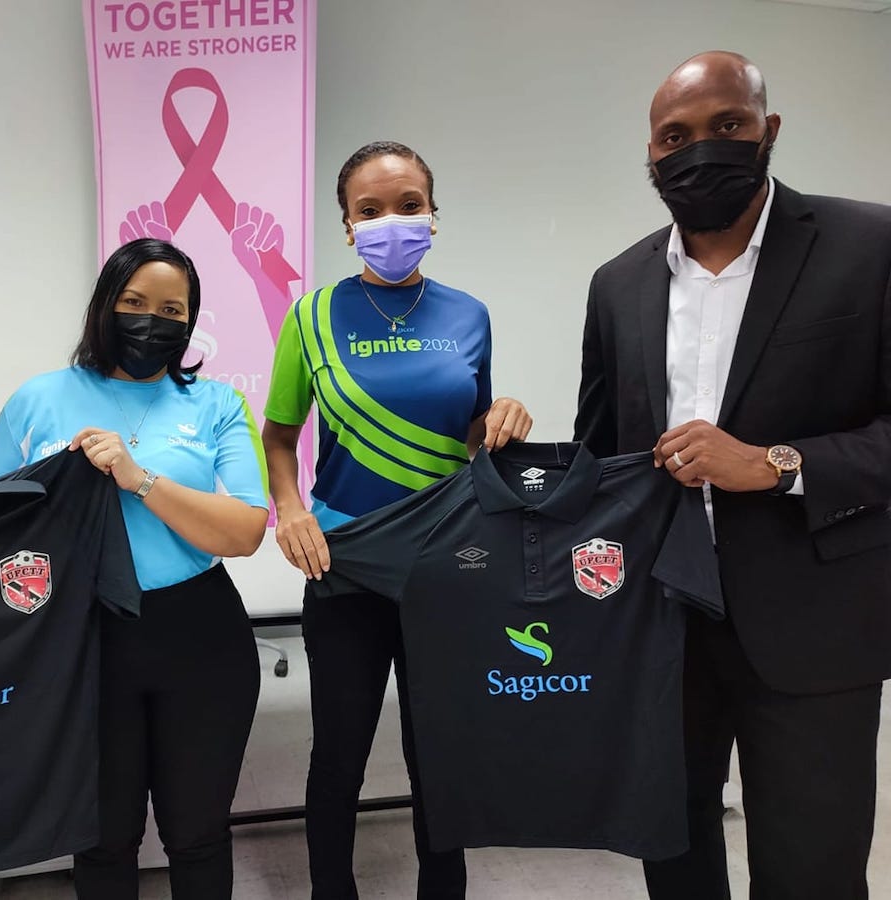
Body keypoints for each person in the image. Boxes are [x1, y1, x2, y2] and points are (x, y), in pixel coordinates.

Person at [574, 51, 891, 900]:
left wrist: (774, 465)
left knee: (812, 870)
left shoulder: (871, 246)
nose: (699, 149)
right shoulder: (617, 285)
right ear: (651, 153)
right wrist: (506, 459)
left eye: (727, 127)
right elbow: (602, 456)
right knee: (672, 856)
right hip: (663, 626)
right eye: (674, 136)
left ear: (768, 131)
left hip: (815, 625)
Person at [262, 140, 533, 900]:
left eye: (408, 205)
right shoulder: (311, 316)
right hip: (343, 561)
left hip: (448, 565)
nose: (391, 223)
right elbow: (279, 437)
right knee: (338, 754)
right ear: (347, 226)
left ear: (433, 215)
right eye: (370, 211)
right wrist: (289, 511)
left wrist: (502, 414)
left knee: (441, 752)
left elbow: (473, 437)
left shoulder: (469, 314)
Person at [0, 238, 269, 900]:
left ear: (191, 324)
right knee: (102, 840)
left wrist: (140, 480)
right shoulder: (38, 399)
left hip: (200, 636)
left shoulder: (217, 404)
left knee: (198, 835)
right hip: (82, 639)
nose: (151, 321)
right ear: (104, 304)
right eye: (135, 302)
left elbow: (246, 530)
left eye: (172, 309)